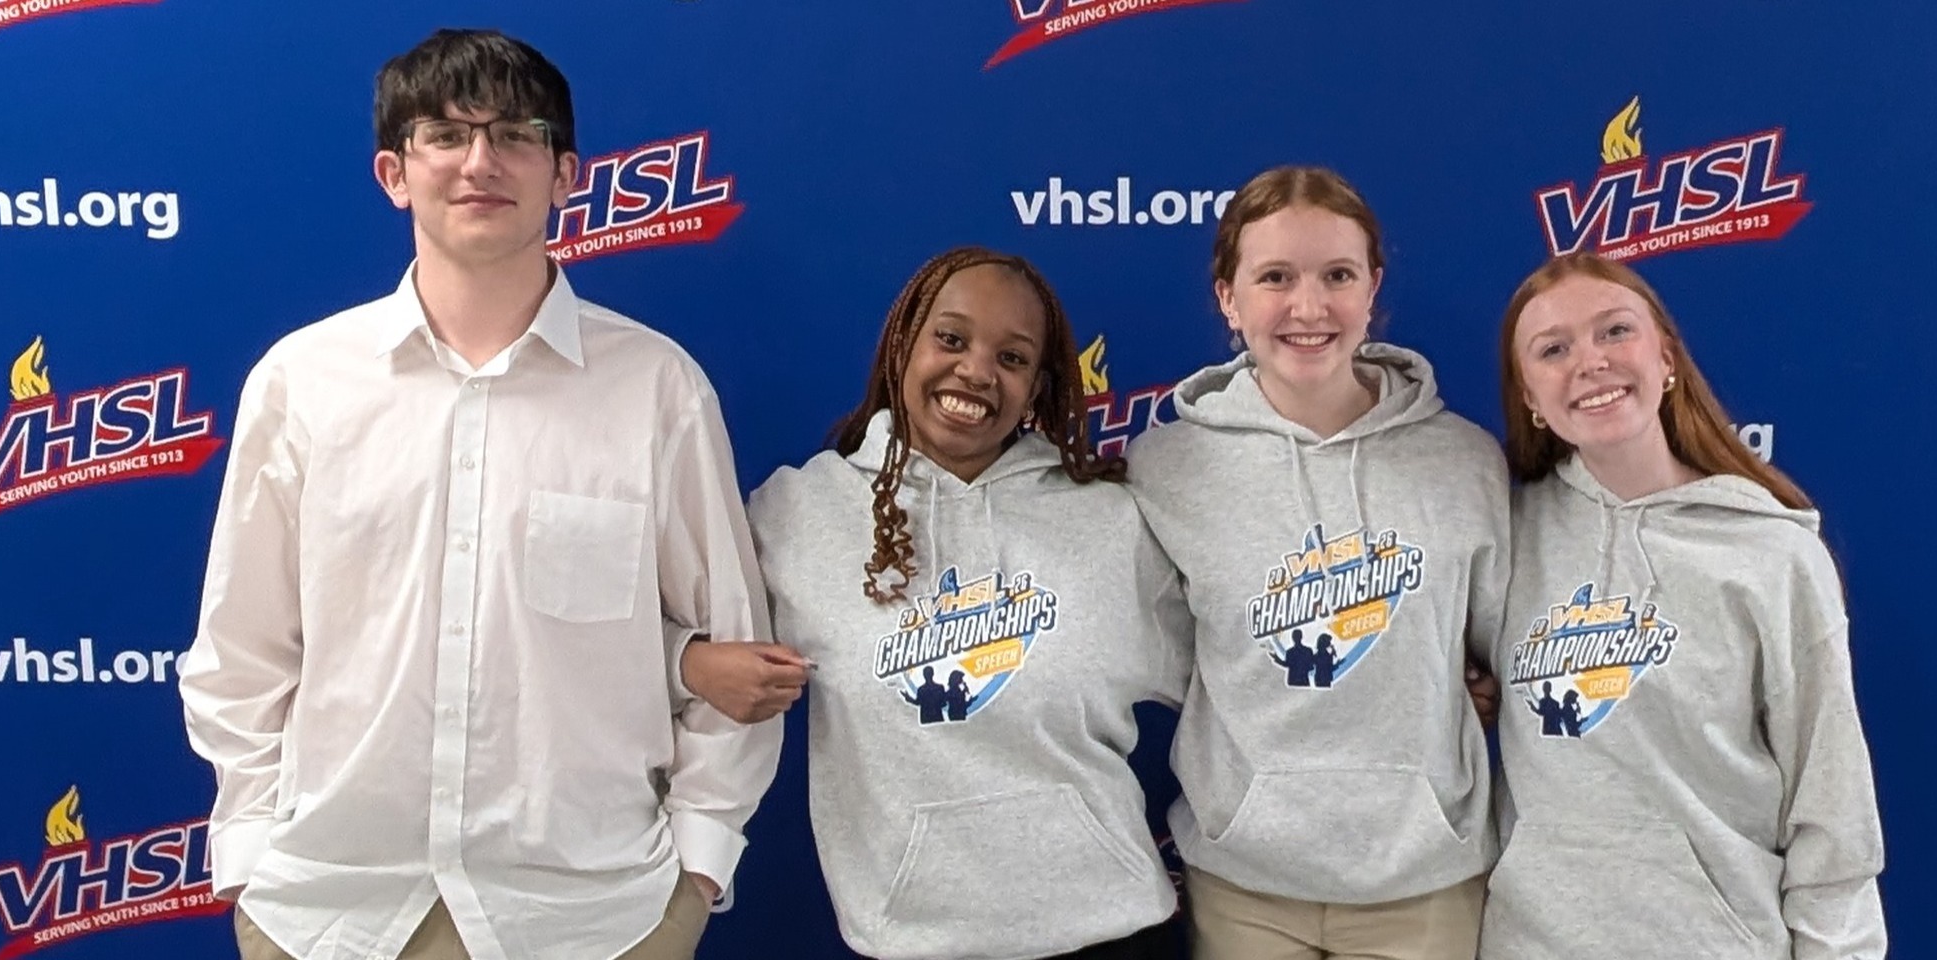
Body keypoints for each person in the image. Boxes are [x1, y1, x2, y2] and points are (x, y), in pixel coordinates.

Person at [177, 29, 780, 960]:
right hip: (332, 913)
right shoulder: (303, 383)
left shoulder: (656, 389)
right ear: (394, 172)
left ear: (565, 171)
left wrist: (696, 869)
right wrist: (252, 856)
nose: (481, 162)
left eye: (515, 134)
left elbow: (736, 655)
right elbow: (242, 654)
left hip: (597, 918)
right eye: (445, 136)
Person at [741, 246, 1192, 960]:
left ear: (1039, 386)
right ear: (903, 345)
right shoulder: (795, 516)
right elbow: (664, 645)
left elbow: (1235, 675)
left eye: (1012, 359)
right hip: (913, 940)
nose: (976, 370)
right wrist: (687, 661)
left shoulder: (1112, 523)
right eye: (950, 339)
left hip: (1112, 929)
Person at [1126, 166, 1507, 960]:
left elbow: (1509, 650)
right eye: (1275, 278)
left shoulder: (1465, 460)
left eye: (1337, 275)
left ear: (1374, 289)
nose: (1309, 307)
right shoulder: (1164, 470)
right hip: (1244, 883)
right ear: (1228, 299)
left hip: (1425, 880)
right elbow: (1142, 654)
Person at [1482, 251, 1885, 960]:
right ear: (1531, 402)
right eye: (1553, 349)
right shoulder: (1504, 542)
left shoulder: (1771, 554)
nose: (1591, 362)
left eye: (1615, 332)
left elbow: (1832, 805)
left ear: (1665, 358)